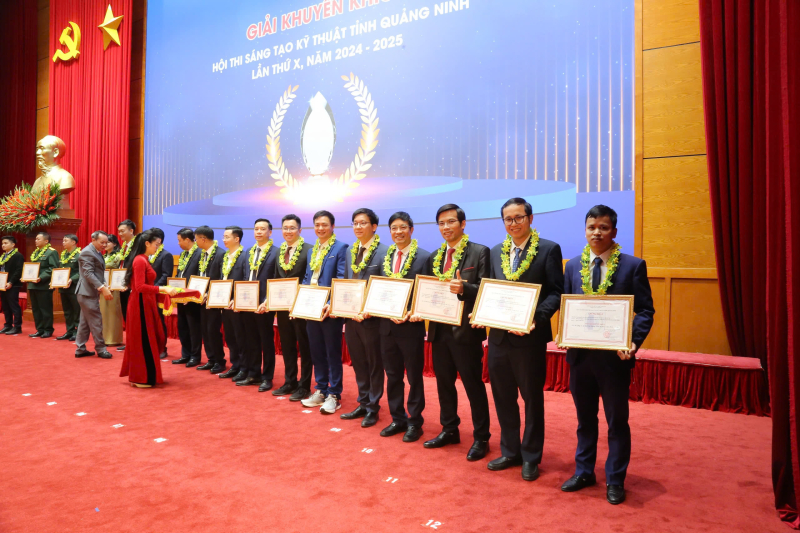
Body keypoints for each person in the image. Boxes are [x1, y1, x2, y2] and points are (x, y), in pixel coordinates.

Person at [558, 205, 655, 505]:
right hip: (580, 358)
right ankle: (584, 471)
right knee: (584, 419)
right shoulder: (573, 266)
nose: (596, 233)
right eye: (591, 227)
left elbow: (645, 311)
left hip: (615, 360)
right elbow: (568, 305)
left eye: (603, 227)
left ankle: (615, 479)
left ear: (614, 231)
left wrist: (633, 341)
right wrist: (564, 332)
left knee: (617, 422)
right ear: (585, 230)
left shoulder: (632, 266)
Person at [477, 198, 564, 481]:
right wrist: (481, 311)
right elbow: (490, 290)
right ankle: (510, 451)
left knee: (531, 400)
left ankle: (531, 456)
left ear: (530, 218)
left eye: (518, 218)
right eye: (508, 219)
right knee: (503, 398)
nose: (513, 223)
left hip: (529, 339)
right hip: (498, 339)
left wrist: (535, 318)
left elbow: (556, 292)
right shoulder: (495, 252)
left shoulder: (548, 249)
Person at [411, 204, 492, 461]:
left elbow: (486, 288)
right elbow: (427, 291)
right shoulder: (435, 256)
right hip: (439, 331)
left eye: (451, 222)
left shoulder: (479, 252)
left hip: (466, 333)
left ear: (463, 224)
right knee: (444, 384)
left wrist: (465, 288)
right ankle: (449, 429)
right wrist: (419, 309)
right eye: (441, 223)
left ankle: (481, 437)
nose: (446, 227)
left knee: (473, 386)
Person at [374, 212, 430, 442]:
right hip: (386, 327)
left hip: (410, 328)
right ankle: (397, 418)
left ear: (411, 230)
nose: (398, 232)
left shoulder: (424, 257)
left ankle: (415, 422)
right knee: (393, 375)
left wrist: (410, 311)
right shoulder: (384, 257)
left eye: (403, 227)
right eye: (394, 228)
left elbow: (426, 293)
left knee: (414, 377)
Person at [339, 208, 389, 428]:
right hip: (351, 317)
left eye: (363, 223)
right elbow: (346, 282)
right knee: (358, 362)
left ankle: (373, 407)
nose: (358, 227)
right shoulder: (350, 251)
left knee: (374, 364)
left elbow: (385, 287)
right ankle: (363, 401)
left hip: (372, 319)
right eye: (355, 223)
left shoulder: (384, 252)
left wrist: (371, 309)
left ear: (374, 226)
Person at [301, 210, 348, 415]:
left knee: (332, 352)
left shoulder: (341, 248)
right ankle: (320, 389)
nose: (320, 228)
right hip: (311, 308)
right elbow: (307, 278)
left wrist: (329, 303)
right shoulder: (312, 250)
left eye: (324, 225)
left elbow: (341, 279)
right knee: (316, 351)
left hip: (329, 310)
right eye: (317, 225)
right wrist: (301, 302)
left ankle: (334, 394)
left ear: (332, 226)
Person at [263, 214, 313, 401]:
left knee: (305, 347)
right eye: (285, 228)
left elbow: (309, 279)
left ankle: (304, 385)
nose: (288, 231)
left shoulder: (309, 250)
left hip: (301, 307)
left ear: (300, 230)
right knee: (287, 345)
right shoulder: (280, 251)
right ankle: (289, 381)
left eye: (292, 228)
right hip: (283, 307)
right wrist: (269, 299)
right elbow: (276, 278)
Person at [120, 231, 179, 387]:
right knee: (143, 340)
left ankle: (142, 376)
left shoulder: (143, 259)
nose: (157, 247)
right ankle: (141, 377)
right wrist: (163, 289)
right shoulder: (140, 260)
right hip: (140, 304)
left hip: (145, 302)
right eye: (156, 244)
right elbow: (140, 287)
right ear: (147, 243)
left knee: (146, 339)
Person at [241, 219, 278, 389]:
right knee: (251, 340)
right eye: (256, 229)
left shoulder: (276, 252)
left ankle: (267, 377)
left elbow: (276, 279)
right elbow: (244, 277)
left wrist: (268, 300)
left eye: (263, 229)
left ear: (270, 232)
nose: (259, 232)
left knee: (266, 341)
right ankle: (253, 374)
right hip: (247, 303)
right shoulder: (248, 251)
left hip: (264, 304)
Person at [217, 226, 250, 383]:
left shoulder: (244, 256)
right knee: (230, 336)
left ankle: (244, 368)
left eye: (227, 237)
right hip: (224, 302)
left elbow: (245, 280)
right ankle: (235, 365)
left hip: (237, 303)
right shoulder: (225, 256)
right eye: (223, 237)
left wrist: (236, 297)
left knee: (240, 336)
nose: (224, 240)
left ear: (237, 239)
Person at [74, 231, 114, 359]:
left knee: (84, 322)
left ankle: (80, 348)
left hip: (87, 292)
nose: (104, 245)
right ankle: (101, 349)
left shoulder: (96, 251)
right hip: (86, 292)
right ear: (93, 240)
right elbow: (88, 273)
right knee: (96, 321)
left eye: (106, 242)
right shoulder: (87, 252)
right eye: (102, 242)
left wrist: (104, 284)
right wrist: (102, 288)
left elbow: (98, 273)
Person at [194, 226, 227, 374]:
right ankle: (211, 359)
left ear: (203, 239)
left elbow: (221, 278)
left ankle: (220, 361)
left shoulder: (220, 254)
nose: (195, 242)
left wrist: (209, 293)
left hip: (214, 299)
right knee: (205, 330)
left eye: (196, 239)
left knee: (213, 330)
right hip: (202, 299)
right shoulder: (203, 254)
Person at [172, 228, 203, 367]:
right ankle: (185, 354)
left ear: (188, 240)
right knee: (182, 327)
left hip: (192, 298)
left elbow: (199, 277)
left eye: (179, 240)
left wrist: (189, 295)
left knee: (193, 328)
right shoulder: (183, 254)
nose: (178, 243)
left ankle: (195, 356)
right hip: (180, 296)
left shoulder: (200, 253)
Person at [147, 227, 174, 359]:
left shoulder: (166, 255)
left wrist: (154, 289)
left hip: (158, 294)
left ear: (159, 240)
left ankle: (162, 348)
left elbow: (166, 275)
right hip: (146, 293)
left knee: (158, 321)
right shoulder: (145, 254)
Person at [27, 231, 60, 338]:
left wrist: (41, 277)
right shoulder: (36, 252)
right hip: (33, 285)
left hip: (43, 285)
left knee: (45, 309)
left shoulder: (51, 252)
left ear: (46, 241)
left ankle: (48, 329)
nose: (36, 241)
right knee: (36, 309)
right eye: (35, 239)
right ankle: (40, 329)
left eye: (38, 239)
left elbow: (53, 267)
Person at [115, 219, 137, 352]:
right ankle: (129, 342)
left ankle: (135, 343)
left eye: (122, 231)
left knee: (133, 316)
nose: (120, 234)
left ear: (131, 230)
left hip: (131, 286)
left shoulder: (137, 246)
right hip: (121, 285)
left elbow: (135, 267)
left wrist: (130, 283)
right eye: (119, 231)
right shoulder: (124, 246)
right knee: (126, 315)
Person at [100, 235, 124, 346]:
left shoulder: (119, 256)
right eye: (104, 243)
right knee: (104, 312)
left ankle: (114, 339)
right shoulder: (103, 256)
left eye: (108, 242)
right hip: (104, 287)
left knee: (113, 313)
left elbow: (121, 272)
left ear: (114, 244)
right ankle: (104, 338)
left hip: (115, 287)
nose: (105, 245)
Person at [56, 234, 81, 341]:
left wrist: (72, 279)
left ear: (73, 242)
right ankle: (69, 331)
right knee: (67, 311)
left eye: (66, 240)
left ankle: (77, 332)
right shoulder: (64, 255)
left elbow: (82, 271)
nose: (63, 243)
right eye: (63, 240)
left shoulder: (79, 255)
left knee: (76, 310)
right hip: (63, 287)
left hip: (74, 287)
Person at [0, 236, 24, 335]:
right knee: (5, 306)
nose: (3, 245)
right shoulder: (3, 256)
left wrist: (11, 282)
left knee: (14, 305)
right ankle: (8, 325)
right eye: (2, 243)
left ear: (13, 244)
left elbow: (19, 270)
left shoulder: (18, 256)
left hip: (12, 284)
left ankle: (17, 327)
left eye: (6, 243)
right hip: (2, 284)